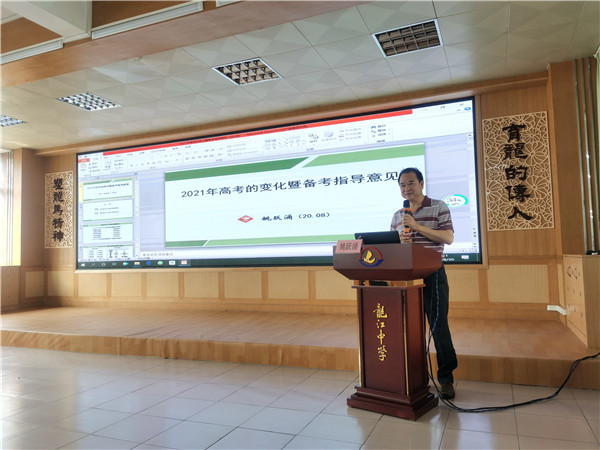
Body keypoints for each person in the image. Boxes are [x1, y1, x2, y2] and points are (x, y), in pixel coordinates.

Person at [390, 167, 458, 400]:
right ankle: (412, 377)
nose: (406, 188)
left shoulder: (439, 206)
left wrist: (417, 226)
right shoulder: (398, 215)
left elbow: (448, 237)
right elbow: (390, 247)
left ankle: (446, 380)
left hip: (432, 274)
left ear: (421, 183)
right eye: (402, 185)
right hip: (406, 276)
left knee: (438, 328)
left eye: (411, 183)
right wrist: (398, 241)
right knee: (407, 328)